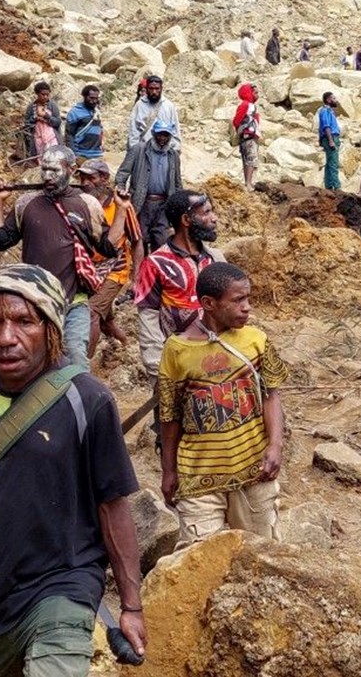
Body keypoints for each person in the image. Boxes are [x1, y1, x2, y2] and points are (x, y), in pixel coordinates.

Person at [0, 264, 145, 677]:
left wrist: (131, 605)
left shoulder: (87, 401)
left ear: (51, 329)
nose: (6, 337)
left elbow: (113, 506)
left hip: (63, 587)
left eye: (24, 321)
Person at [158, 262, 289, 546]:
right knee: (197, 559)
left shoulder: (256, 340)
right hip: (198, 476)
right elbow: (170, 416)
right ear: (209, 303)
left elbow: (271, 395)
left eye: (248, 299)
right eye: (238, 300)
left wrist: (275, 445)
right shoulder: (177, 350)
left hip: (254, 470)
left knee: (262, 554)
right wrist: (169, 470)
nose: (247, 307)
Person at [0, 146, 115, 369]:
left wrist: (122, 210)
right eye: (44, 169)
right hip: (35, 302)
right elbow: (0, 241)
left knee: (75, 358)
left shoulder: (87, 204)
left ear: (71, 170)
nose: (47, 176)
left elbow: (107, 247)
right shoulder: (26, 203)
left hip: (73, 302)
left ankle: (79, 402)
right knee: (36, 362)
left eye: (54, 170)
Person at [134, 189, 225, 448]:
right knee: (172, 433)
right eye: (206, 212)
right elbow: (148, 317)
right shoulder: (156, 264)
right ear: (186, 220)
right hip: (175, 364)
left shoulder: (216, 259)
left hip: (217, 361)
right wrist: (156, 369)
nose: (214, 218)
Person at [77, 159, 142, 357]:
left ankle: (83, 367)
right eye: (82, 177)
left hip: (115, 269)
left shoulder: (120, 205)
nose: (85, 182)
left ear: (104, 179)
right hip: (88, 270)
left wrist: (136, 278)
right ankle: (125, 347)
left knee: (91, 312)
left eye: (91, 178)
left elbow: (137, 241)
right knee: (106, 321)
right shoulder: (80, 202)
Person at [116, 121, 182, 254]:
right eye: (159, 135)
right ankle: (141, 271)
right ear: (153, 134)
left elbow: (177, 182)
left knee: (161, 239)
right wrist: (120, 189)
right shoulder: (138, 150)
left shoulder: (173, 155)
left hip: (164, 204)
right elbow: (123, 173)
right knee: (140, 239)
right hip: (142, 202)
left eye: (166, 135)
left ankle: (157, 270)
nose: (162, 139)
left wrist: (179, 203)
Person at [127, 76, 180, 150]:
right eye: (151, 89)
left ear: (161, 89)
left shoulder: (169, 106)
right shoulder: (139, 105)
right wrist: (134, 150)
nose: (154, 92)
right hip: (144, 150)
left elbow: (175, 130)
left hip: (164, 151)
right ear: (147, 89)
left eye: (157, 89)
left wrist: (176, 149)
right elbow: (133, 130)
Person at [233, 83, 261, 191]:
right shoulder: (246, 105)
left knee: (247, 159)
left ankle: (247, 183)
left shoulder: (251, 106)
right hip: (247, 136)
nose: (257, 95)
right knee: (251, 159)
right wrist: (243, 130)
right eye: (255, 93)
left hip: (248, 136)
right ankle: (248, 184)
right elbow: (236, 120)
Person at [22, 81, 61, 160]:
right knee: (40, 158)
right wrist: (35, 118)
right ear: (37, 94)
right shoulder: (31, 107)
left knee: (54, 158)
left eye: (47, 94)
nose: (45, 97)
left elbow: (58, 122)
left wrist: (47, 116)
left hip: (52, 137)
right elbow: (26, 124)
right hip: (37, 137)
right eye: (43, 94)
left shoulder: (52, 106)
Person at [65, 85, 104, 160]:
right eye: (91, 98)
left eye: (96, 98)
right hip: (81, 154)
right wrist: (72, 154)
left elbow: (100, 130)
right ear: (84, 97)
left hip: (97, 153)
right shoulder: (75, 112)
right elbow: (69, 135)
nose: (94, 101)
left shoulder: (97, 112)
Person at [318, 91, 341, 190]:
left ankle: (328, 185)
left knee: (329, 162)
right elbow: (326, 126)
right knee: (333, 162)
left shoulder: (330, 111)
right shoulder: (325, 111)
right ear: (328, 100)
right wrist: (331, 141)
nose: (336, 100)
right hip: (330, 138)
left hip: (331, 137)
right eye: (334, 98)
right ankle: (336, 186)